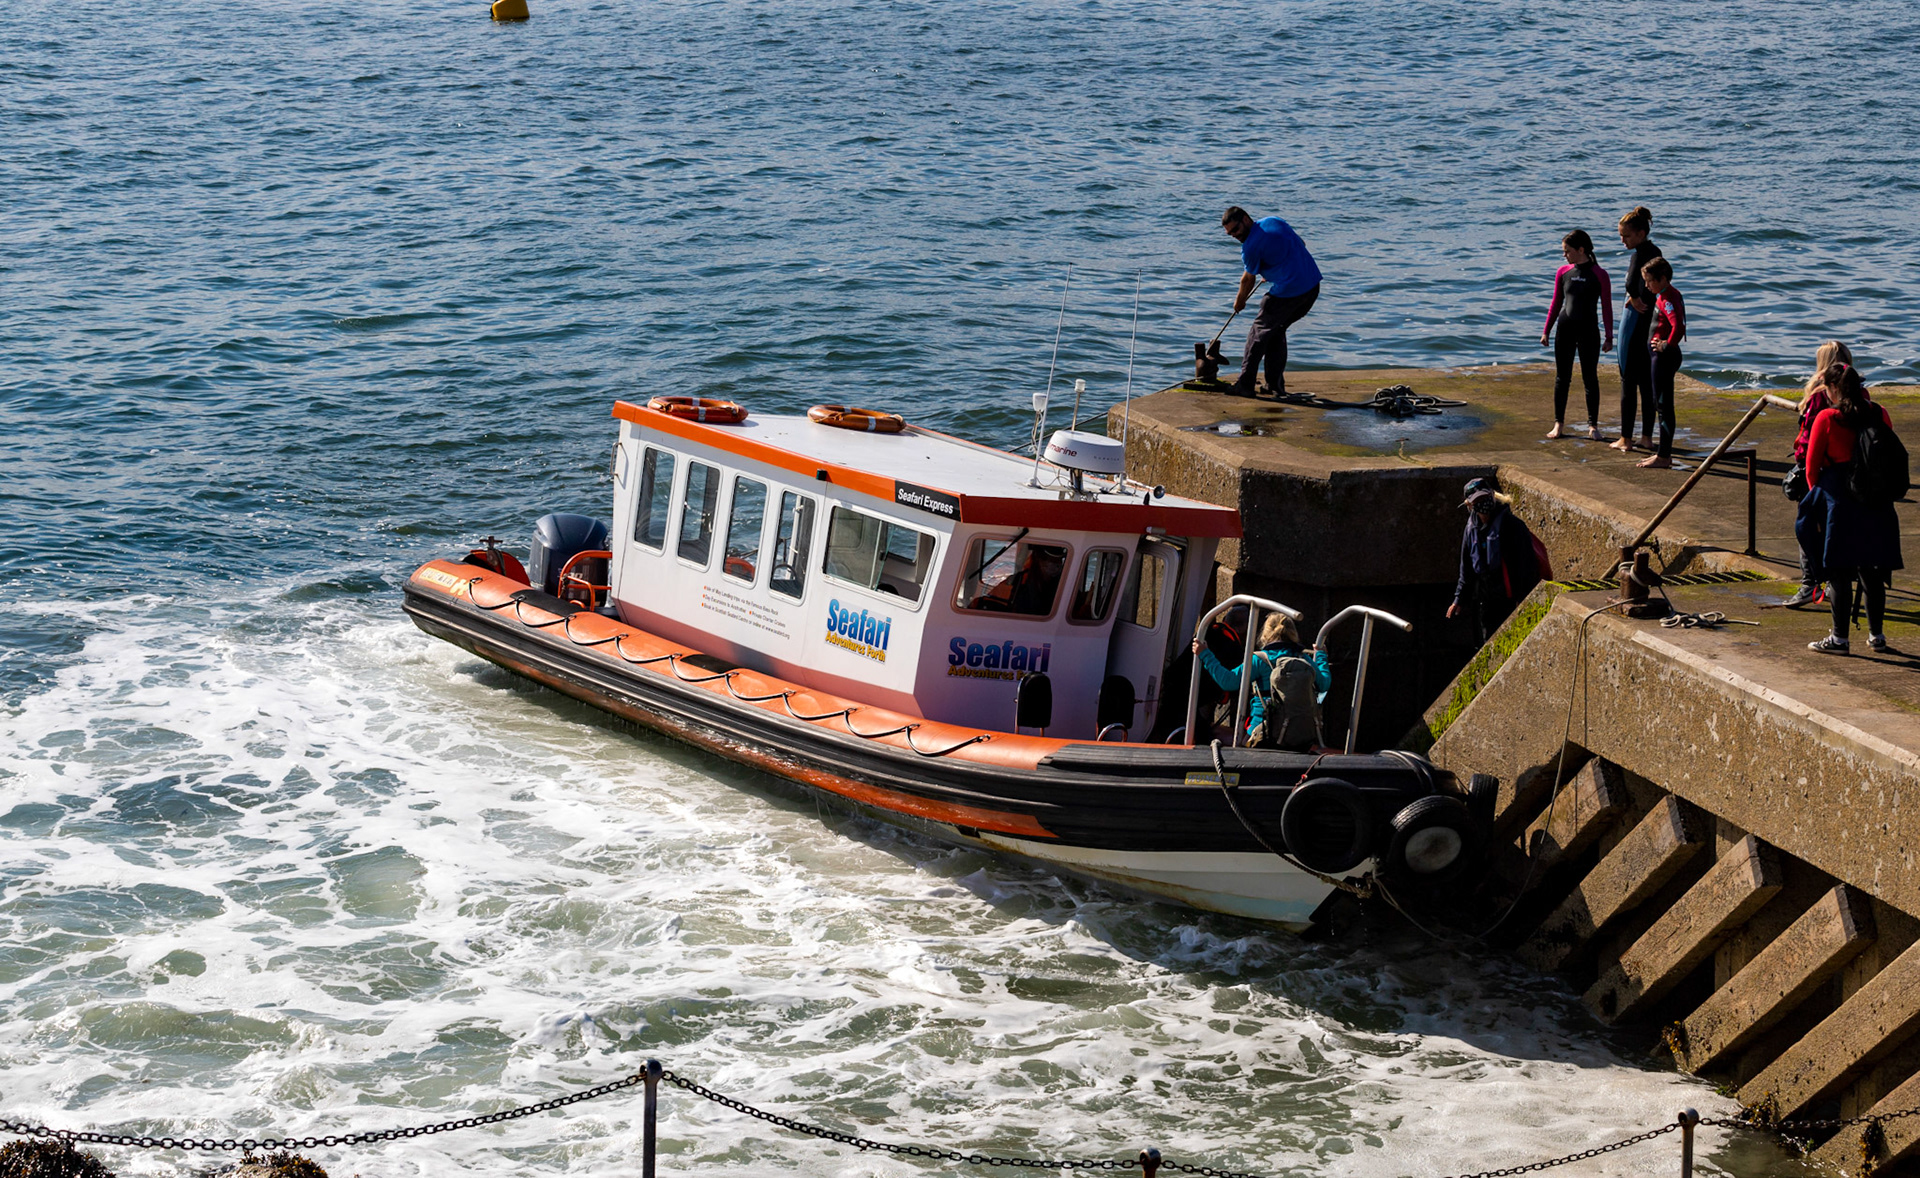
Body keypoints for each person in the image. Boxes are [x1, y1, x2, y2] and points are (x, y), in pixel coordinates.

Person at [1798, 363, 1902, 653]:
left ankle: (1839, 639)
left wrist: (1818, 507)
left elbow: (1811, 469)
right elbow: (1887, 456)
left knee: (1839, 572)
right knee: (1872, 571)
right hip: (1875, 501)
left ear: (1832, 390)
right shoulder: (1878, 413)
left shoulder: (1827, 417)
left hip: (1839, 501)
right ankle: (1877, 637)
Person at [1781, 341, 1855, 608]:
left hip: (1823, 471)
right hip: (1850, 471)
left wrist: (1806, 473)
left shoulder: (1819, 396)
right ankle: (1840, 580)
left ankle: (1810, 584)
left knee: (1808, 527)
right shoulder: (1861, 394)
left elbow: (1808, 442)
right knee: (1839, 529)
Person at [1221, 206, 1323, 399]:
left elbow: (1247, 280)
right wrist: (1275, 268)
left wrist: (1239, 303)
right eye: (1229, 233)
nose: (1234, 235)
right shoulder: (1274, 221)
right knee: (1276, 331)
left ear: (1245, 219)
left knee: (1257, 334)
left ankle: (1245, 385)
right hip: (1312, 287)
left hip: (1291, 292)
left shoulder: (1250, 247)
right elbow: (1300, 243)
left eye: (1235, 230)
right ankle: (1274, 387)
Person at [1190, 612, 1331, 750]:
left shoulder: (1260, 659)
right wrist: (1321, 655)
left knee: (1212, 732)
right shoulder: (1303, 658)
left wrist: (1204, 654)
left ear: (1265, 633)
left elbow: (1228, 682)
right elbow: (1324, 684)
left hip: (1264, 736)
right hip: (1299, 737)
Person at [1447, 477, 1544, 642]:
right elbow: (1466, 568)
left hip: (1509, 598)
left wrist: (1524, 602)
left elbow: (1527, 567)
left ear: (1493, 495)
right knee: (1488, 640)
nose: (1483, 503)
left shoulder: (1513, 526)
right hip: (1486, 599)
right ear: (1469, 505)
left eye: (1485, 498)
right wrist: (1459, 599)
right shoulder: (1471, 529)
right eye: (1477, 501)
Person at [1541, 230, 1615, 440]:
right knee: (1562, 377)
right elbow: (1556, 303)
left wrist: (1609, 336)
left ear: (1581, 250)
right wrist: (1546, 330)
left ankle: (1593, 426)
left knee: (1590, 377)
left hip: (1589, 330)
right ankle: (1559, 424)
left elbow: (1607, 307)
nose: (1565, 255)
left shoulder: (1600, 274)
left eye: (1568, 251)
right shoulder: (1563, 272)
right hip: (1565, 328)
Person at [1612, 207, 1664, 453]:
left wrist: (1632, 297)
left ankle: (1625, 438)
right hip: (1652, 322)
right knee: (1647, 383)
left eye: (1626, 236)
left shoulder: (1638, 255)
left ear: (1641, 233)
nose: (1623, 240)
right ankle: (1646, 437)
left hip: (1635, 321)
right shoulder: (1656, 252)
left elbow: (1630, 282)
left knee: (1627, 379)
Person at [1636, 258, 1686, 469]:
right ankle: (1663, 453)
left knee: (1663, 406)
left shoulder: (1667, 298)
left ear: (1662, 279)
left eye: (1649, 281)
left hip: (1663, 358)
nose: (1646, 286)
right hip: (1660, 358)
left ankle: (1664, 456)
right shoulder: (1667, 294)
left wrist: (1667, 345)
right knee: (1661, 404)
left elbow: (1679, 326)